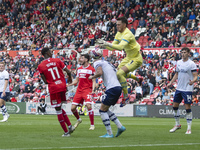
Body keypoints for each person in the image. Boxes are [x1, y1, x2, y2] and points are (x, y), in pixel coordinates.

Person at [96, 16, 143, 107]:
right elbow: (113, 47)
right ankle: (137, 79)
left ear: (125, 25)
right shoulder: (118, 33)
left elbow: (120, 47)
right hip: (128, 57)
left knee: (119, 74)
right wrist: (104, 45)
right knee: (117, 73)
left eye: (119, 24)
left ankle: (125, 97)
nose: (117, 26)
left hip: (136, 58)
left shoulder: (128, 34)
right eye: (116, 24)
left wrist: (107, 43)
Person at [37, 47, 75, 137]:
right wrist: (69, 77)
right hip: (62, 86)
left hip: (54, 88)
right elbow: (68, 71)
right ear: (46, 53)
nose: (51, 52)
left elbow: (45, 81)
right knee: (60, 107)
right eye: (50, 51)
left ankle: (66, 132)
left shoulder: (41, 66)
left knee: (58, 110)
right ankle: (70, 126)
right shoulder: (57, 60)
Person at [88, 49, 126, 138]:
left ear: (93, 56)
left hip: (112, 88)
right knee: (105, 109)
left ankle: (109, 133)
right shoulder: (107, 63)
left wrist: (92, 77)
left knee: (102, 110)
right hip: (117, 87)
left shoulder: (97, 63)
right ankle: (120, 126)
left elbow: (99, 72)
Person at [167, 47, 198, 135]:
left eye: (185, 52)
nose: (183, 54)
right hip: (179, 88)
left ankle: (189, 128)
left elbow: (195, 75)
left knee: (187, 107)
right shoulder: (179, 62)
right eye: (182, 52)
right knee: (175, 106)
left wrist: (193, 81)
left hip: (187, 88)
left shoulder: (191, 64)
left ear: (188, 53)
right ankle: (177, 124)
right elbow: (176, 74)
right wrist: (171, 82)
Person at [68, 54, 96, 130]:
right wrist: (69, 85)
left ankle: (92, 125)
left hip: (87, 90)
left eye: (82, 58)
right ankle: (79, 119)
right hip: (79, 90)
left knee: (88, 105)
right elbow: (76, 80)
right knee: (72, 108)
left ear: (86, 60)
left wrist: (93, 90)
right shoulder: (79, 69)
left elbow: (94, 81)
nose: (80, 59)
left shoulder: (92, 69)